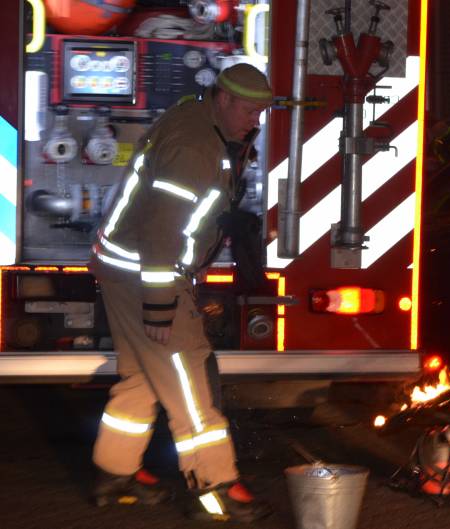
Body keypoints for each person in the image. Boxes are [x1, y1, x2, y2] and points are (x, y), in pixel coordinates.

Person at [88, 63, 273, 523]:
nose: (256, 121)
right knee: (188, 380)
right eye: (250, 111)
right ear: (225, 99)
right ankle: (216, 487)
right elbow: (162, 229)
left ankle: (115, 475)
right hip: (148, 273)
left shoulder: (198, 118)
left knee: (141, 379)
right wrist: (160, 303)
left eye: (261, 112)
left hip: (124, 267)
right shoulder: (194, 146)